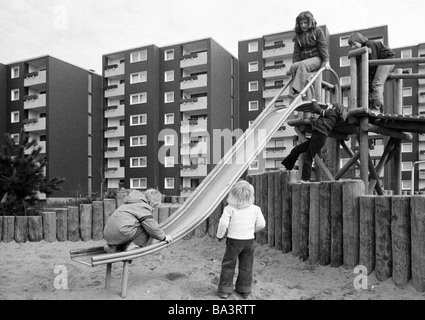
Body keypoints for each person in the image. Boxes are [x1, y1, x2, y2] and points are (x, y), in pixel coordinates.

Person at [216, 180, 266, 299]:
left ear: (232, 195)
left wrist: (220, 235)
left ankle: (225, 289)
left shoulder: (229, 209)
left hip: (234, 241)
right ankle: (245, 289)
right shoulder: (256, 209)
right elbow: (262, 224)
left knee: (229, 263)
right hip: (249, 241)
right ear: (251, 196)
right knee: (247, 265)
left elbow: (223, 224)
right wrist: (251, 230)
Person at [281, 100, 348, 181]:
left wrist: (314, 102)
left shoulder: (331, 113)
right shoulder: (330, 117)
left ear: (334, 108)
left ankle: (305, 179)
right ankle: (288, 166)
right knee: (297, 149)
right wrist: (313, 120)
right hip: (317, 137)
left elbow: (317, 110)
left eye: (331, 105)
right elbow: (319, 124)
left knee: (308, 157)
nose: (329, 106)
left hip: (319, 137)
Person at [103, 189, 173, 253]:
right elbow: (151, 227)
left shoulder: (130, 203)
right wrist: (164, 237)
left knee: (133, 226)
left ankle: (111, 247)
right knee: (145, 228)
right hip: (122, 231)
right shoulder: (143, 207)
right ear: (153, 202)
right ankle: (132, 248)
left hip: (108, 234)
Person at [348, 32, 395, 114]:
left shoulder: (369, 45)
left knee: (376, 83)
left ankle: (376, 109)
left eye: (354, 44)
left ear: (359, 40)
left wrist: (369, 82)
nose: (353, 47)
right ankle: (379, 109)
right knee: (376, 85)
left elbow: (372, 65)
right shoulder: (364, 49)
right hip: (383, 62)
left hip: (386, 60)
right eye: (351, 46)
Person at [289, 11, 330, 100]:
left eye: (305, 23)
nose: (303, 25)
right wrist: (294, 67)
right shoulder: (298, 36)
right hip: (305, 60)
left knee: (303, 65)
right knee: (293, 66)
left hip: (317, 59)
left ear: (310, 22)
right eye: (301, 23)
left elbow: (323, 46)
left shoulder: (317, 31)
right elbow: (296, 53)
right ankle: (300, 93)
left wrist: (326, 60)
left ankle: (297, 91)